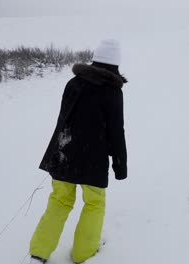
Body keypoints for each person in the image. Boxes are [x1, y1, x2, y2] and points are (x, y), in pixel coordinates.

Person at [29, 39, 128, 264]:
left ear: (95, 59)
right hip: (93, 160)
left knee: (59, 200)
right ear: (115, 65)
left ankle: (39, 252)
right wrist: (120, 164)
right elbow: (116, 131)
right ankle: (84, 253)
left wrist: (56, 151)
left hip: (64, 153)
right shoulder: (112, 92)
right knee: (94, 203)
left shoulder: (73, 83)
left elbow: (63, 120)